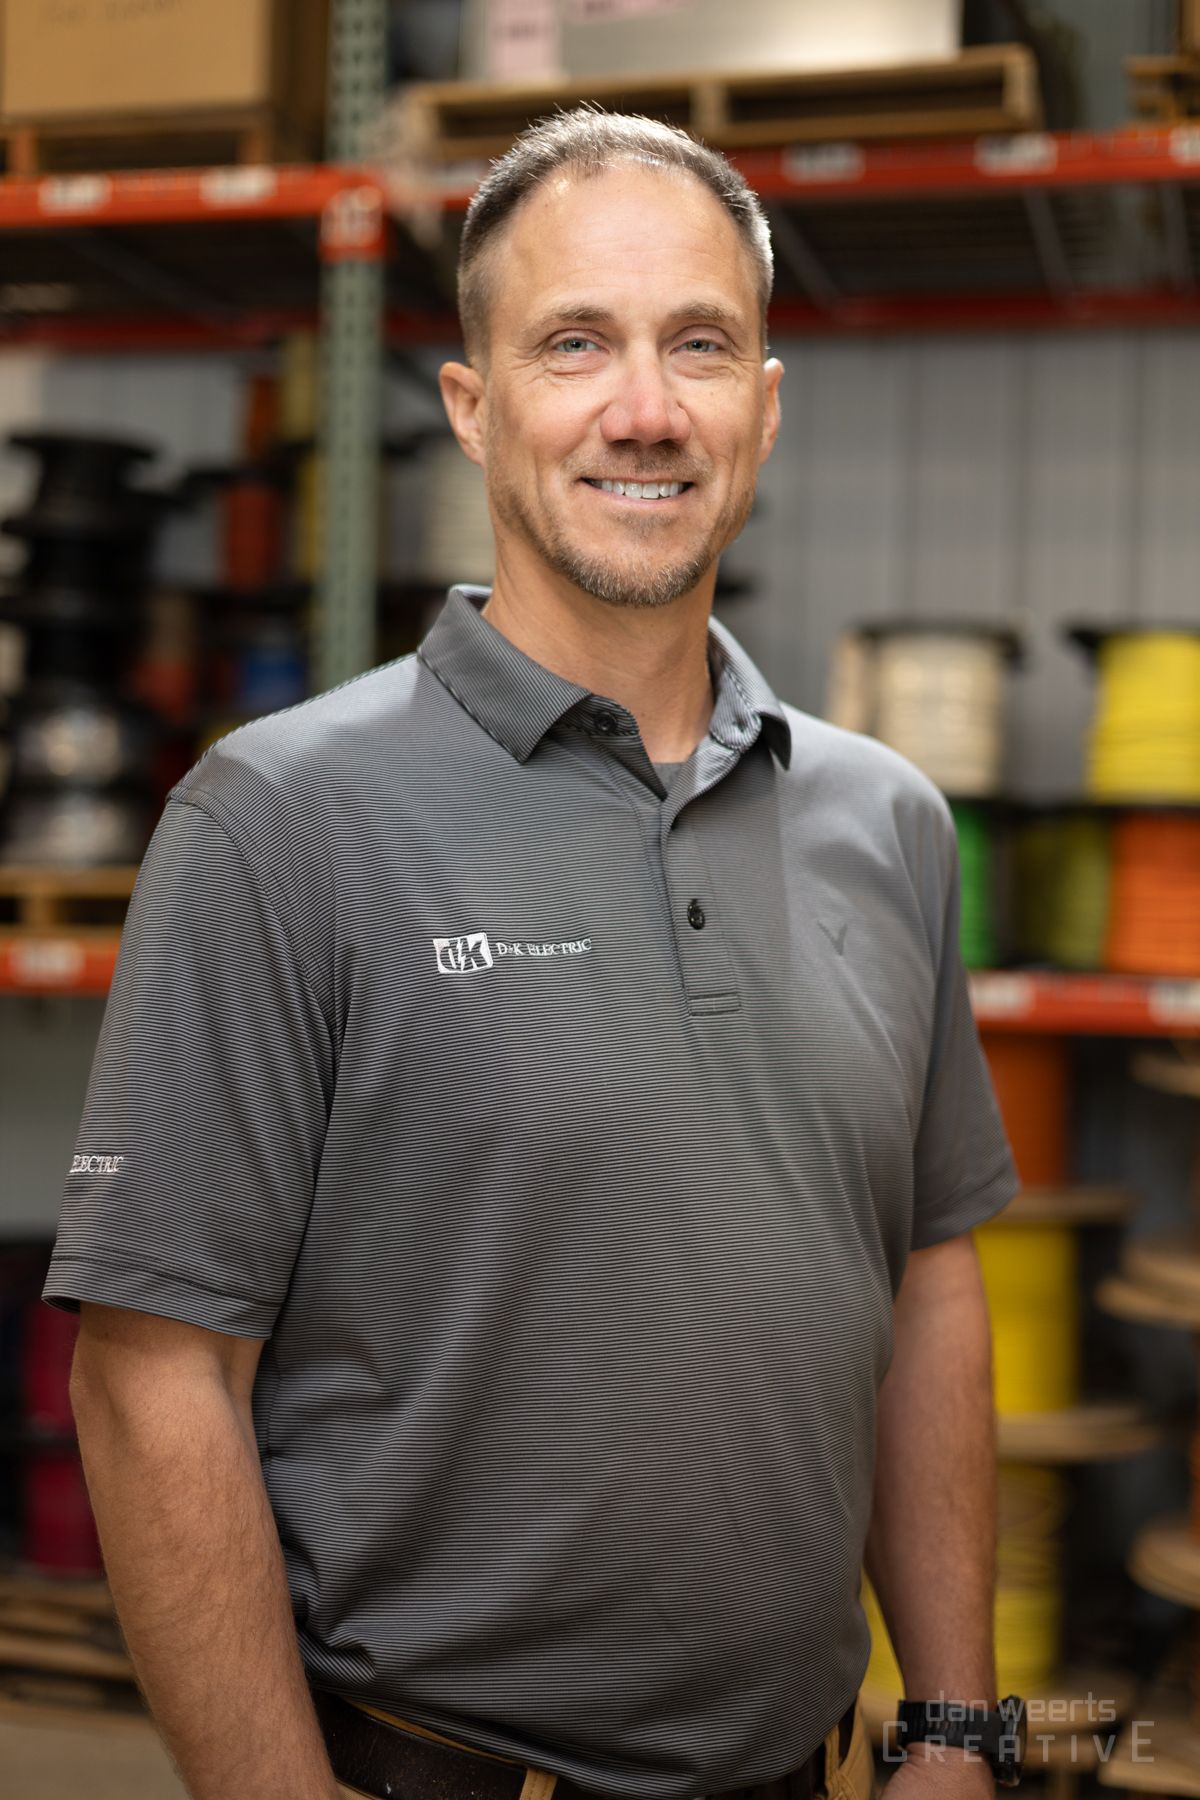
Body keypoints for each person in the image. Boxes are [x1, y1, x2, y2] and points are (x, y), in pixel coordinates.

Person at [45, 109, 1019, 1800]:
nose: (643, 409)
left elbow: (925, 1277)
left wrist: (955, 1723)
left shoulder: (891, 824)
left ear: (764, 410)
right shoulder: (284, 817)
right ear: (475, 407)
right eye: (576, 343)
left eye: (698, 345)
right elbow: (151, 1378)